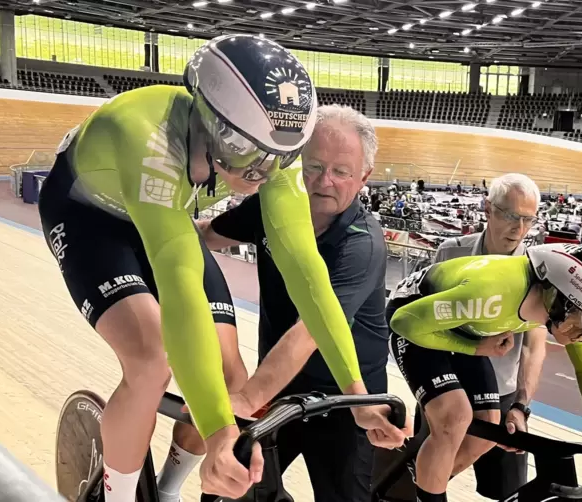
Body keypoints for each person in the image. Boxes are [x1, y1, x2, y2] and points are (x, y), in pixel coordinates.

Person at [37, 34, 405, 502]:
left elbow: (309, 277)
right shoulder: (144, 138)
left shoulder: (270, 155)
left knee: (231, 380)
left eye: (281, 159)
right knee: (152, 361)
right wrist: (216, 435)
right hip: (92, 217)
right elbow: (181, 289)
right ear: (214, 127)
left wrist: (358, 395)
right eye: (251, 157)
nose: (265, 174)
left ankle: (168, 488)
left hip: (165, 215)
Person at [198, 104, 398, 501]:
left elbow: (311, 332)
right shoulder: (273, 205)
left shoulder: (361, 244)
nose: (323, 181)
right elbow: (205, 237)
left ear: (363, 178)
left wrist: (249, 399)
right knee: (228, 489)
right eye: (313, 165)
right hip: (281, 385)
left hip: (345, 401)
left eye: (341, 171)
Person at [388, 243, 582, 502]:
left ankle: (415, 480)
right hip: (415, 317)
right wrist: (473, 347)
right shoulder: (492, 290)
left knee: (489, 432)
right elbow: (402, 322)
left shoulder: (561, 306)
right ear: (560, 300)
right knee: (454, 417)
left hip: (467, 327)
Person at [433, 173, 545, 500]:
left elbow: (534, 346)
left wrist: (522, 406)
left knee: (508, 493)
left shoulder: (536, 268)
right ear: (488, 209)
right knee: (419, 477)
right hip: (444, 389)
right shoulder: (450, 254)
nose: (519, 229)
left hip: (503, 395)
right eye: (511, 216)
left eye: (528, 220)